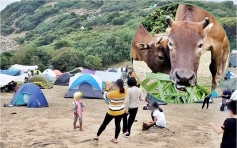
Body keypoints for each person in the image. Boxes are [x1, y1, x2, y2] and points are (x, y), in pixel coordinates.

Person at [95, 79, 126, 143]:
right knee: (117, 125)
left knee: (104, 124)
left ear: (116, 85)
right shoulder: (125, 91)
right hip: (120, 111)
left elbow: (105, 96)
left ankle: (97, 136)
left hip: (111, 111)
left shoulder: (112, 93)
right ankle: (115, 139)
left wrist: (109, 88)